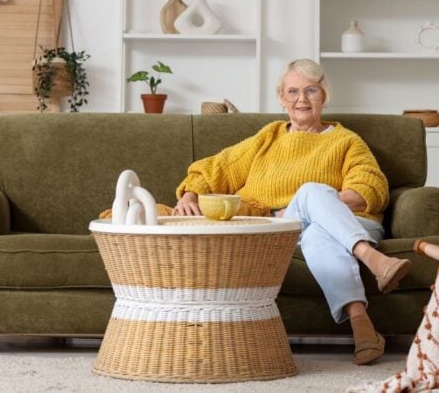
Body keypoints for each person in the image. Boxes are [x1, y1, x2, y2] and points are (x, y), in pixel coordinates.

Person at [173, 58, 411, 365]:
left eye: (311, 90)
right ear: (281, 99)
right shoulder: (269, 136)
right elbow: (216, 168)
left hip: (351, 223)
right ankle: (370, 279)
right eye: (293, 91)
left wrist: (313, 204)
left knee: (314, 216)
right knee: (311, 212)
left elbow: (370, 189)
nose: (301, 99)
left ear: (324, 95)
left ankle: (362, 309)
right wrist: (189, 194)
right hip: (287, 226)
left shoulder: (346, 141)